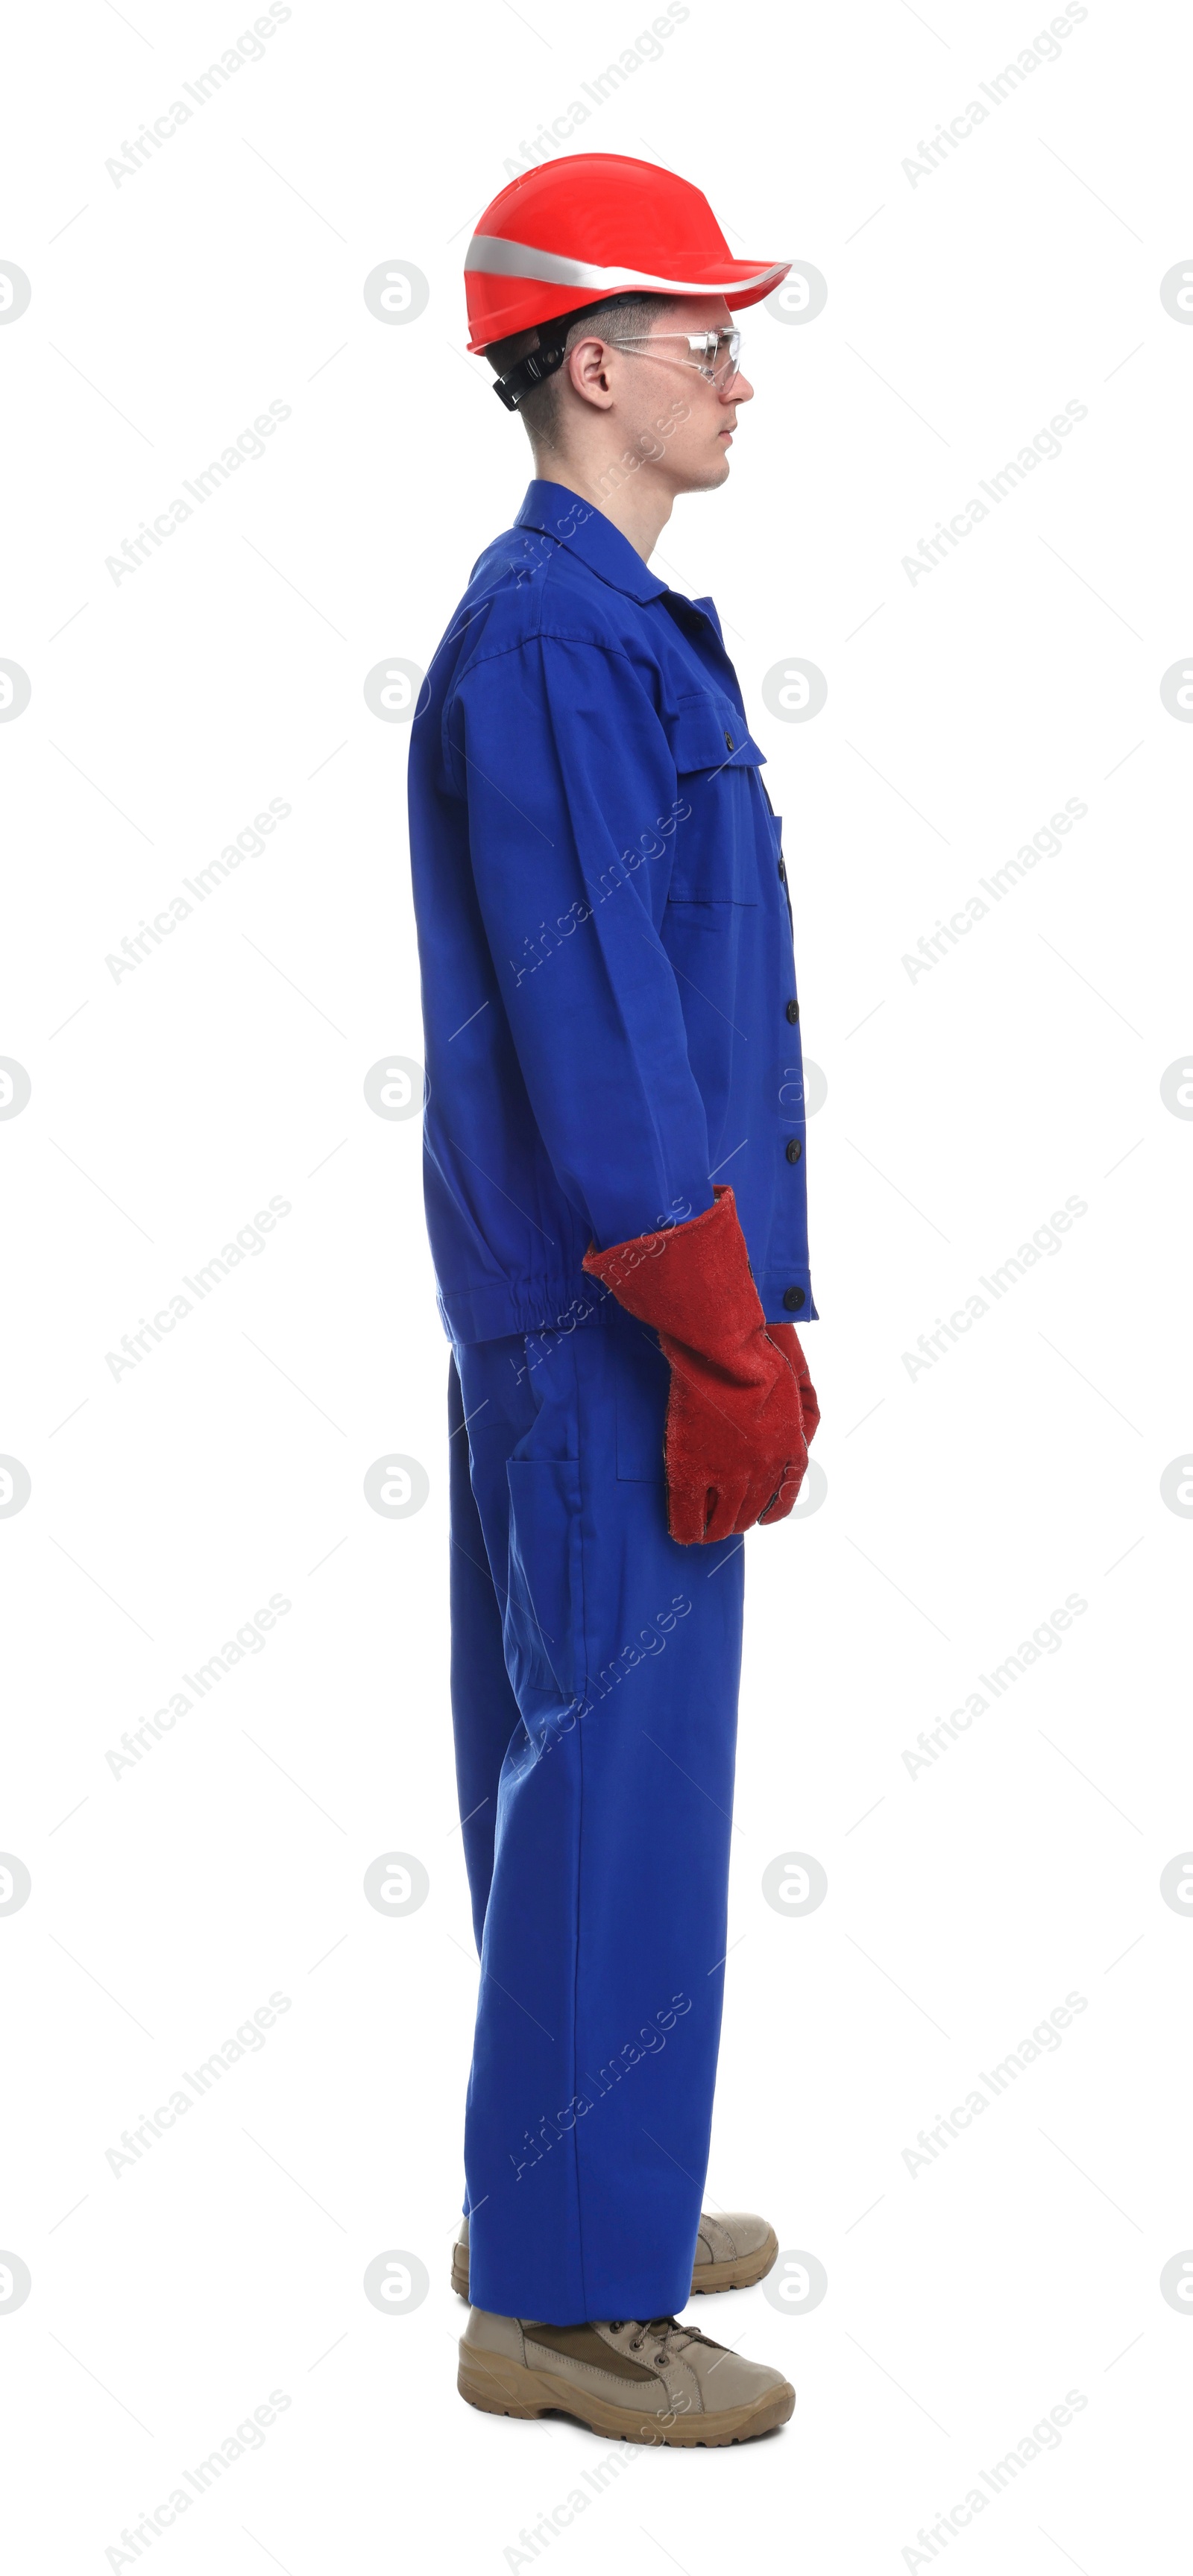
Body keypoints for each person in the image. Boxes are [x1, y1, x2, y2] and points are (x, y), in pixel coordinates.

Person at [407, 152, 819, 2446]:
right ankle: (564, 2310)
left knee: (579, 1771)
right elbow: (599, 1031)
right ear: (591, 364)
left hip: (618, 1307)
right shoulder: (560, 638)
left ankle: (581, 2182)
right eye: (705, 341)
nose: (739, 376)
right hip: (622, 1316)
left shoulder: (607, 624)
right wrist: (716, 1320)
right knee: (617, 1784)